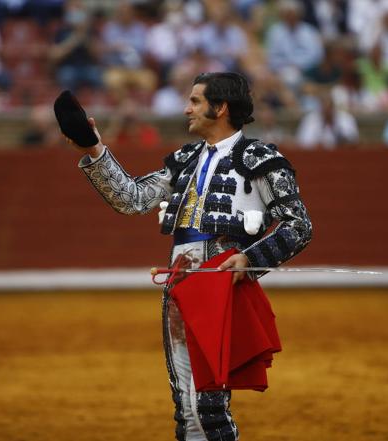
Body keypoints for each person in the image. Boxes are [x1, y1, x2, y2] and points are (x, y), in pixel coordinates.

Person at [69, 72, 312, 440]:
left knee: (210, 406)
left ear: (221, 107)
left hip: (221, 287)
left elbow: (299, 225)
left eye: (196, 101)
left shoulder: (261, 158)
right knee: (186, 406)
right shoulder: (184, 159)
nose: (187, 109)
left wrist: (249, 260)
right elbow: (132, 199)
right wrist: (95, 150)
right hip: (181, 284)